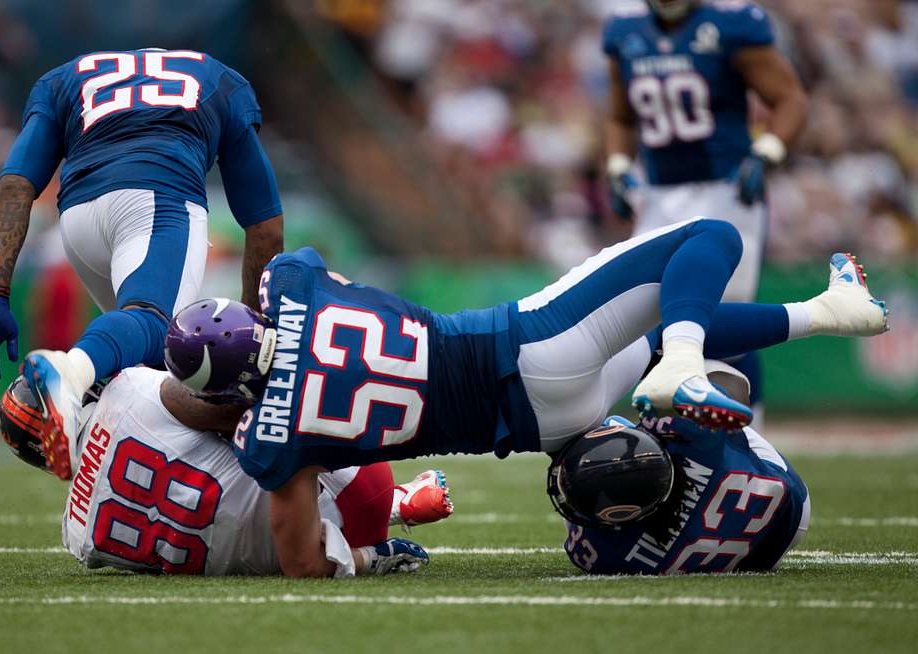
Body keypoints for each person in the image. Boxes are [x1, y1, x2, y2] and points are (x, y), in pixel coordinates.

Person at [163, 218, 886, 576]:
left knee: (649, 330)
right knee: (707, 239)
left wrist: (352, 557)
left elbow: (299, 559)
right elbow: (298, 266)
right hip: (527, 346)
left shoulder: (272, 442)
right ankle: (687, 363)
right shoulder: (291, 284)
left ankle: (822, 314)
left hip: (542, 425)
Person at [0, 48, 285, 479]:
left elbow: (16, 184)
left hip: (78, 220)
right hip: (156, 200)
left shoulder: (65, 76)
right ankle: (70, 371)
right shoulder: (220, 80)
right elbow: (265, 227)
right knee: (158, 327)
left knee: (147, 362)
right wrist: (252, 331)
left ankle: (131, 477)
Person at [0, 369, 450, 577]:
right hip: (353, 485)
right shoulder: (127, 391)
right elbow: (234, 416)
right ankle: (395, 499)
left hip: (310, 553)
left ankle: (373, 551)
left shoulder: (78, 539)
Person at [603, 0, 808, 424]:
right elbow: (621, 116)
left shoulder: (730, 24)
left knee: (723, 318)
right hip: (658, 194)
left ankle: (753, 436)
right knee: (651, 317)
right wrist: (619, 165)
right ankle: (668, 431)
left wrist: (767, 152)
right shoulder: (625, 31)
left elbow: (788, 98)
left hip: (727, 189)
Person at [550, 360, 809, 575]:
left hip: (759, 554)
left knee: (578, 492)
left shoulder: (599, 554)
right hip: (790, 503)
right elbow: (735, 383)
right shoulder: (691, 431)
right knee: (691, 366)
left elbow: (579, 502)